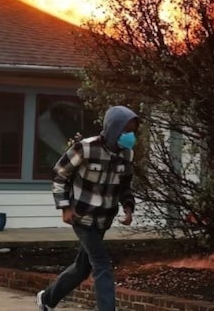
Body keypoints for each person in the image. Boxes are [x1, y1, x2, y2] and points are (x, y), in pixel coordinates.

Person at [37, 105, 138, 311]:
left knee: (82, 268)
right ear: (113, 129)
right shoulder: (85, 148)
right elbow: (59, 175)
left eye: (133, 131)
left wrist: (128, 208)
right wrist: (64, 207)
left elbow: (124, 187)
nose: (130, 136)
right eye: (126, 131)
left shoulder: (126, 155)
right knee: (102, 265)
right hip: (81, 216)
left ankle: (47, 299)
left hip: (103, 219)